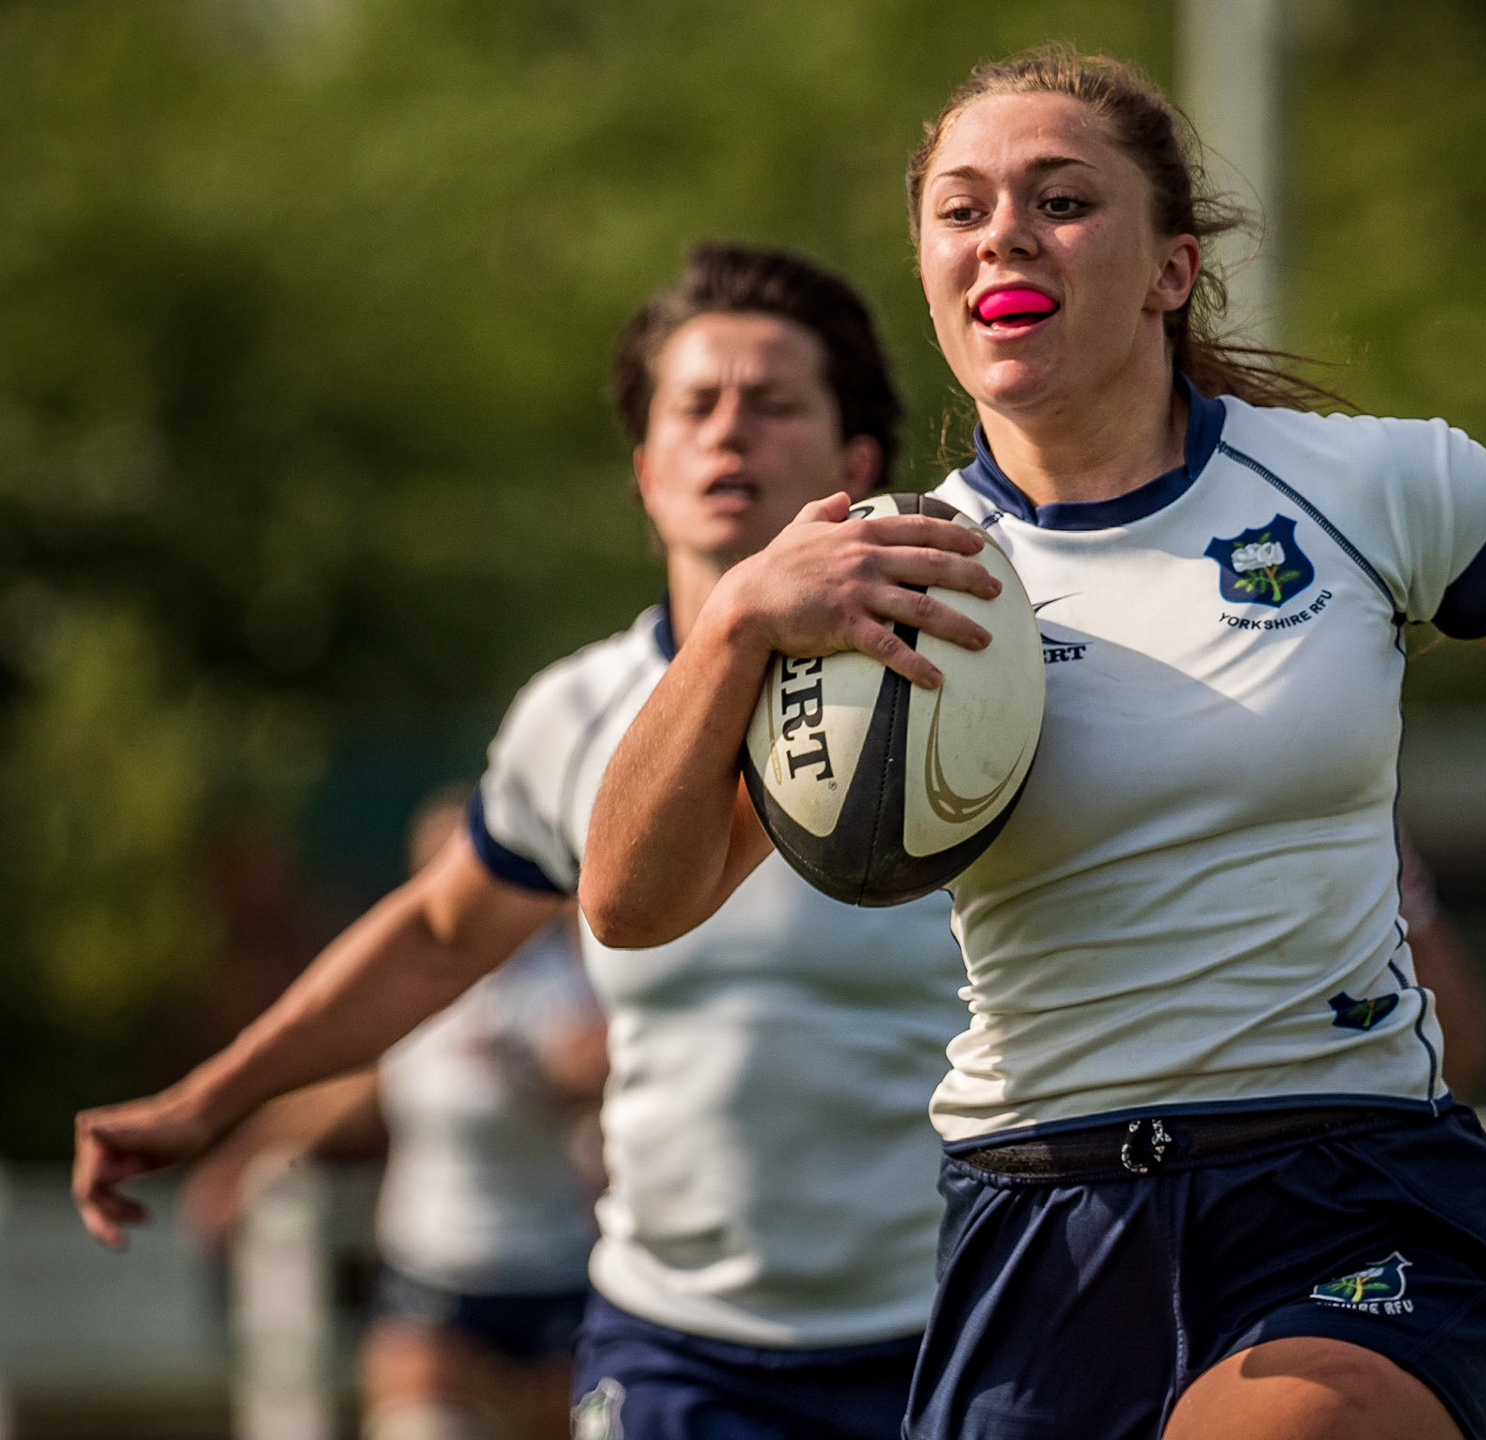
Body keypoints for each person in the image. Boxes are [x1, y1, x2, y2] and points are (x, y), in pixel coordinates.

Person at [576, 51, 1486, 1440]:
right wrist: (736, 629)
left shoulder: (1375, 483)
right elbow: (631, 904)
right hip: (1042, 1218)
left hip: (1343, 1184)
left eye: (1062, 200)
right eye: (961, 209)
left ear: (1171, 271)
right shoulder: (897, 576)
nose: (1004, 231)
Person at [73, 244, 967, 1440]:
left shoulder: (951, 692)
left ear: (855, 464)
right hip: (674, 1346)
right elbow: (439, 939)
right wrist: (209, 1101)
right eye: (694, 406)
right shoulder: (575, 713)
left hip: (947, 1332)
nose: (729, 434)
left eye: (773, 403)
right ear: (645, 468)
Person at [181, 789, 606, 1440]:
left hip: (553, 1264)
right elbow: (354, 1086)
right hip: (431, 1266)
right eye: (429, 862)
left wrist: (535, 1068)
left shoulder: (561, 969)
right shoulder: (411, 983)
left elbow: (602, 1059)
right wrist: (240, 1161)